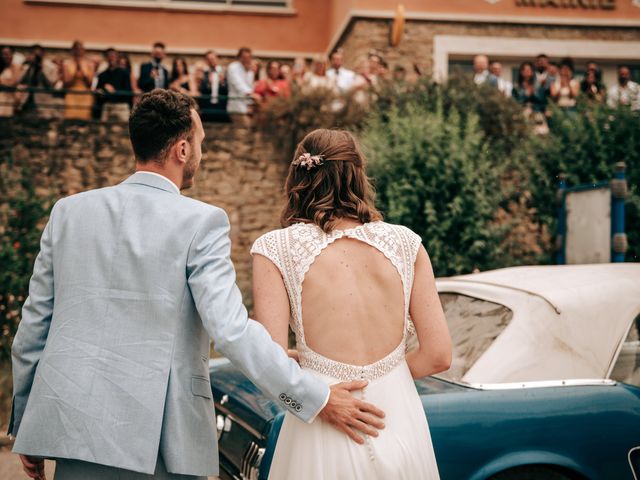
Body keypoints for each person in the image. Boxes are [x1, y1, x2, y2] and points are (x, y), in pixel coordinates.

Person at [9, 90, 385, 480]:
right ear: (183, 149)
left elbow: (33, 328)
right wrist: (316, 398)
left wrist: (27, 424)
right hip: (158, 437)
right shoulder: (202, 222)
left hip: (72, 430)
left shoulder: (68, 212)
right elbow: (231, 331)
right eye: (201, 143)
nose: (201, 155)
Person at [251, 129, 451, 479]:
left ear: (298, 176)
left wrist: (316, 385)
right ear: (358, 176)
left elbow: (271, 367)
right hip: (398, 421)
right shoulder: (407, 243)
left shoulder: (274, 249)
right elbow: (438, 355)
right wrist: (385, 380)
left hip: (324, 428)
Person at [16, 44, 63, 118]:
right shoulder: (28, 67)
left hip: (43, 103)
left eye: (38, 55)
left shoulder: (51, 67)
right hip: (27, 102)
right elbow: (19, 80)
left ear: (43, 55)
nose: (35, 57)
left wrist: (41, 69)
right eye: (33, 54)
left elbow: (51, 85)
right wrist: (26, 64)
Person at [95, 47, 132, 121]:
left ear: (117, 57)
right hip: (107, 105)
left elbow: (128, 91)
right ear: (106, 58)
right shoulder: (102, 75)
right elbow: (98, 91)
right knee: (103, 129)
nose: (111, 58)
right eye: (109, 56)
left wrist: (114, 91)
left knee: (124, 129)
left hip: (121, 106)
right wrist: (100, 92)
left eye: (113, 56)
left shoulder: (124, 73)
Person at [62, 40, 95, 120]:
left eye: (80, 49)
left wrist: (82, 71)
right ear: (73, 50)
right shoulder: (67, 64)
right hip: (71, 93)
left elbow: (90, 83)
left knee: (84, 118)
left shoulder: (89, 64)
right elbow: (66, 83)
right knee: (70, 117)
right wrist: (76, 71)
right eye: (76, 49)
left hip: (85, 94)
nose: (79, 51)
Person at [513, 61, 548, 134]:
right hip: (522, 113)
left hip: (537, 113)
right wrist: (526, 94)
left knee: (540, 134)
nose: (527, 72)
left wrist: (534, 93)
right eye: (525, 70)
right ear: (521, 72)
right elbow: (515, 102)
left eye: (529, 70)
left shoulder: (538, 86)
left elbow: (543, 101)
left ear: (532, 72)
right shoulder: (516, 87)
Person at [226, 47, 257, 126]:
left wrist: (250, 104)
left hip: (248, 108)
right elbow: (238, 84)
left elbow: (251, 87)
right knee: (243, 131)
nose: (247, 59)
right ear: (240, 57)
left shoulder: (249, 70)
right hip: (237, 107)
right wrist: (251, 95)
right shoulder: (233, 67)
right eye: (245, 57)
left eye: (249, 57)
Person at [198, 50, 228, 121]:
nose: (211, 61)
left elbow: (228, 89)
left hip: (221, 107)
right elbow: (201, 90)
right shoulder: (203, 73)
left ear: (217, 59)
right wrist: (207, 83)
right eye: (209, 59)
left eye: (213, 59)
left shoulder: (224, 72)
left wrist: (223, 82)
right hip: (207, 107)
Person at [0, 46, 22, 116]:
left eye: (6, 54)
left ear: (12, 54)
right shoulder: (2, 67)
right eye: (2, 54)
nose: (4, 56)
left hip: (9, 99)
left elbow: (14, 83)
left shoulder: (16, 67)